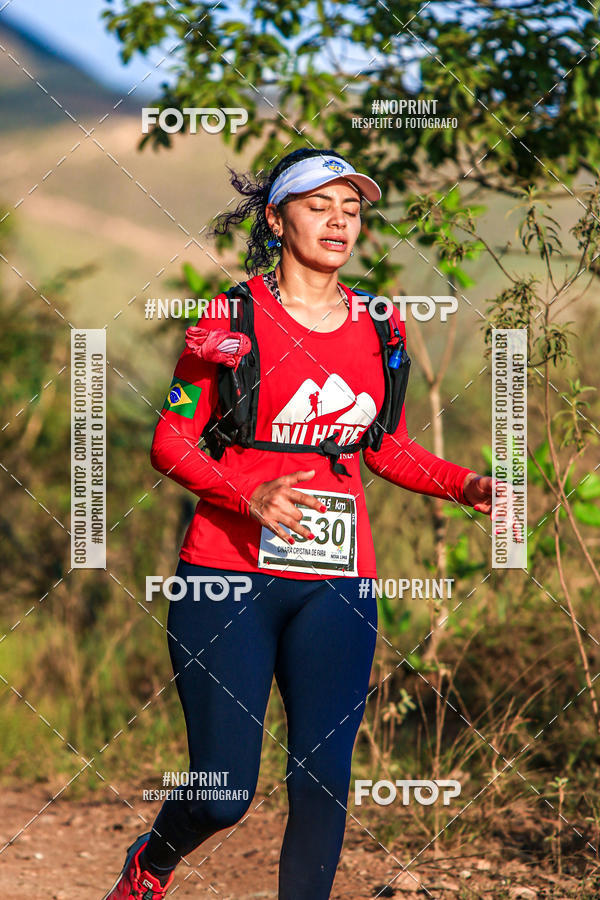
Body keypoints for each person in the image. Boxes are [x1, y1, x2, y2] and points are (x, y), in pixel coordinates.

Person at [104, 147, 492, 900]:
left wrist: (464, 483)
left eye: (351, 210)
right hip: (227, 577)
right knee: (224, 794)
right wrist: (247, 495)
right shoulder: (227, 319)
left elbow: (385, 445)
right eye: (319, 206)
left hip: (337, 583)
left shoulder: (383, 325)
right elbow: (171, 441)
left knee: (323, 781)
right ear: (278, 220)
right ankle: (152, 862)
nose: (339, 221)